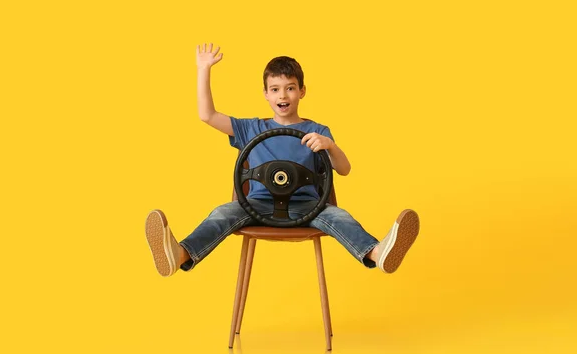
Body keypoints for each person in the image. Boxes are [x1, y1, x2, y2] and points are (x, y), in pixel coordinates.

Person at [144, 43, 420, 277]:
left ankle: (377, 252)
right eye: (275, 89)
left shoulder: (318, 131)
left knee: (340, 217)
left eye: (289, 88)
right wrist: (203, 69)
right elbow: (207, 115)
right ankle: (179, 254)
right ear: (265, 94)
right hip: (257, 208)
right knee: (222, 213)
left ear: (302, 91)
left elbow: (344, 170)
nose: (283, 95)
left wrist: (330, 146)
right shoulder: (250, 129)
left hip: (308, 209)